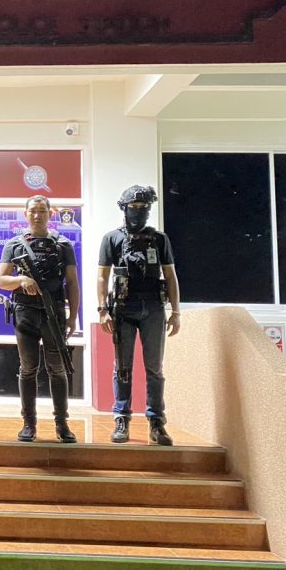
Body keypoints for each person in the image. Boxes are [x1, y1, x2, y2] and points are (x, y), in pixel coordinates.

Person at [97, 185, 181, 446]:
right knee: (122, 367)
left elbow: (170, 276)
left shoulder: (160, 239)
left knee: (155, 368)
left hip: (153, 308)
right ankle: (121, 418)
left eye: (144, 207)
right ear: (124, 208)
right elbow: (102, 276)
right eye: (133, 207)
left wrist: (176, 312)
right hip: (123, 308)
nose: (139, 211)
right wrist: (102, 310)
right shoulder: (111, 238)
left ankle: (156, 423)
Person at [0, 196, 79, 444]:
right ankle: (29, 423)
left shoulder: (63, 244)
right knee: (28, 368)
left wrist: (73, 317)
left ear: (50, 214)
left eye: (42, 211)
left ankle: (62, 423)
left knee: (57, 369)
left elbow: (72, 282)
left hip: (53, 312)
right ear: (25, 214)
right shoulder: (14, 244)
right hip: (25, 313)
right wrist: (21, 280)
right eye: (33, 211)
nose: (37, 215)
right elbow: (2, 281)